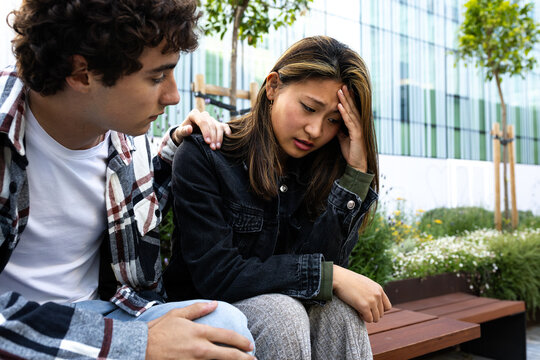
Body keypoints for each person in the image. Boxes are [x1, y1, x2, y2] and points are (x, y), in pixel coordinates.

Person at [0, 0, 256, 359]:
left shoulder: (122, 134)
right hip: (22, 331)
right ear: (81, 74)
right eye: (156, 77)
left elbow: (139, 203)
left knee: (223, 326)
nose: (173, 96)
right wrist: (134, 345)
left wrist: (180, 147)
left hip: (104, 312)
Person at [164, 36, 392, 359]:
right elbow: (217, 276)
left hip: (283, 321)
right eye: (309, 108)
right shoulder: (207, 155)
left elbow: (323, 281)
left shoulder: (319, 169)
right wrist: (330, 276)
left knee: (339, 312)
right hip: (204, 317)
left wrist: (355, 172)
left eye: (333, 121)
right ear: (273, 87)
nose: (315, 130)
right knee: (282, 314)